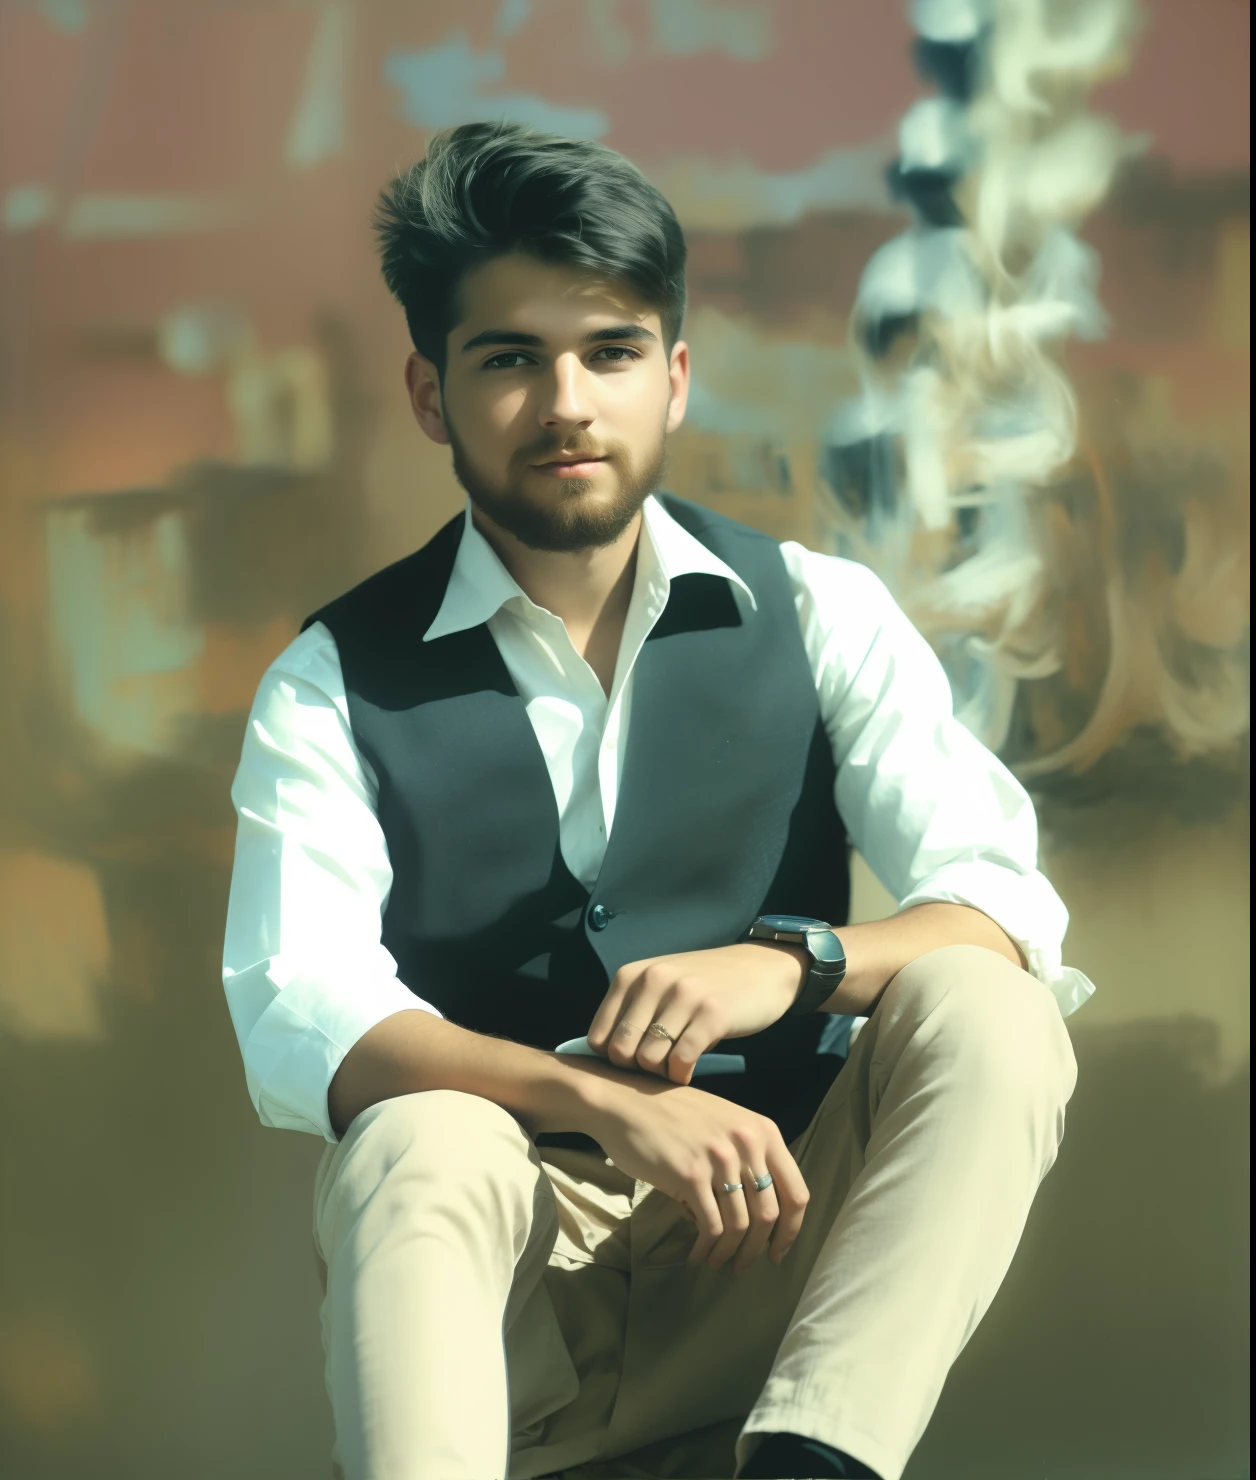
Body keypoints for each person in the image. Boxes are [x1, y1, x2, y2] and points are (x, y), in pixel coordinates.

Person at [222, 121, 1092, 1480]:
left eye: (610, 352)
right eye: (510, 358)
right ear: (430, 392)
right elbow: (302, 1015)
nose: (567, 403)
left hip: (775, 1242)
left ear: (675, 378)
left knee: (990, 1003)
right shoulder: (331, 678)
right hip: (511, 1296)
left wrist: (793, 966)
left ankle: (816, 1458)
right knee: (418, 1136)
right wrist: (607, 1104)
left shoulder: (820, 612)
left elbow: (1002, 901)